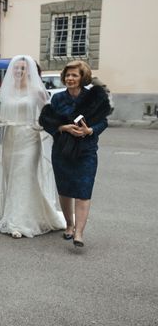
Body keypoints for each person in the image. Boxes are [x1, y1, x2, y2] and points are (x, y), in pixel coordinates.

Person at [39, 60, 111, 248]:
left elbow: (104, 122)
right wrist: (62, 127)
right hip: (62, 150)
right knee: (64, 190)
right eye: (68, 75)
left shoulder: (94, 98)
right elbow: (47, 122)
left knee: (83, 191)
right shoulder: (57, 99)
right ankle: (69, 225)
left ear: (82, 77)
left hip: (86, 151)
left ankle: (79, 232)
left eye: (74, 75)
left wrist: (90, 131)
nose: (70, 78)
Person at [0, 56, 65, 238]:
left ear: (30, 71)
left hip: (29, 138)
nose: (19, 72)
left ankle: (20, 222)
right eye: (16, 68)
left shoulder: (36, 91)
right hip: (11, 138)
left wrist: (41, 126)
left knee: (25, 176)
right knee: (12, 177)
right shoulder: (6, 91)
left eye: (23, 69)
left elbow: (49, 114)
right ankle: (12, 216)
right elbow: (0, 114)